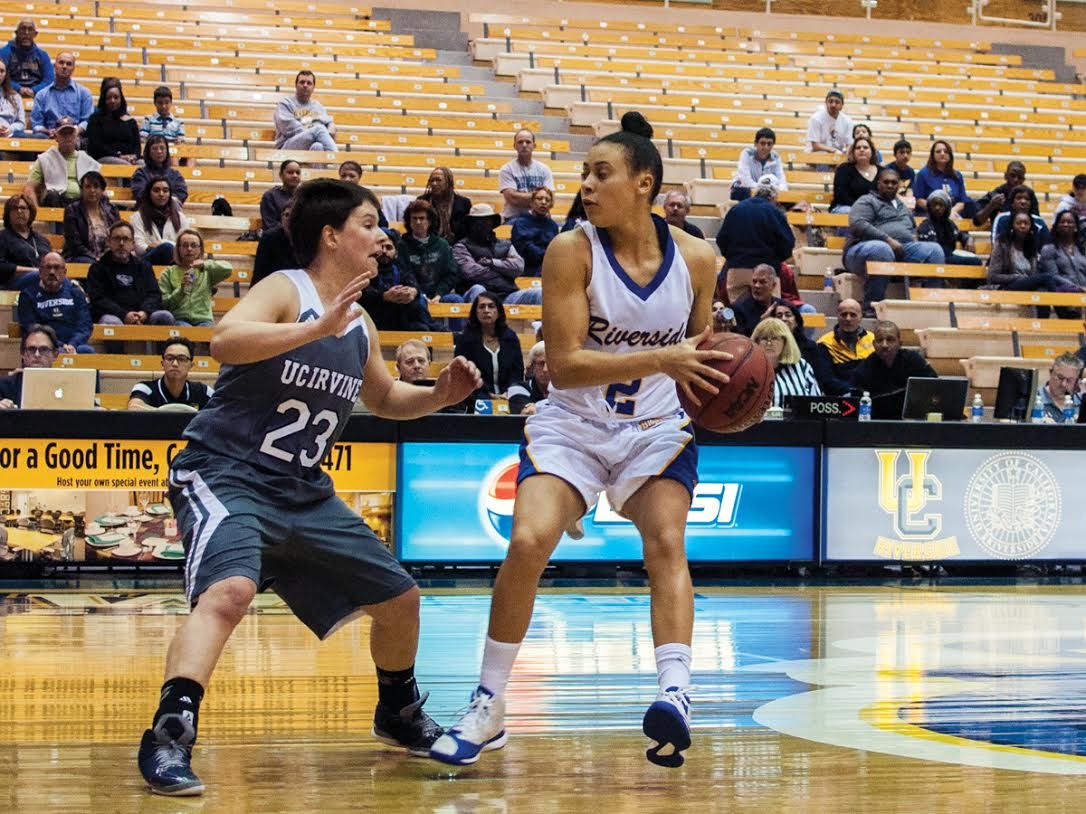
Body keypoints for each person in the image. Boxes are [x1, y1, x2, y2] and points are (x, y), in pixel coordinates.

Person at [136, 178, 482, 795]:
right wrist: (310, 329)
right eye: (371, 224)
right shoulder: (285, 288)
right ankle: (169, 734)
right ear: (332, 235)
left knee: (401, 599)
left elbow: (383, 398)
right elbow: (223, 341)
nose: (383, 237)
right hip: (225, 470)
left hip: (301, 489)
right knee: (230, 591)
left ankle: (397, 713)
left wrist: (438, 396)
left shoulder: (363, 324)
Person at [431, 111, 728, 770]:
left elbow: (699, 360)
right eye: (585, 174)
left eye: (602, 173)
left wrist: (732, 393)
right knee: (529, 539)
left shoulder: (700, 259)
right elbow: (562, 364)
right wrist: (666, 359)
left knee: (667, 541)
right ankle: (489, 702)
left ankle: (675, 694)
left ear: (643, 184)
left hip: (653, 428)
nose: (587, 186)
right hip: (573, 424)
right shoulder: (573, 249)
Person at [843, 168, 945, 316]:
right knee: (882, 249)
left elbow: (912, 229)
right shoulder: (867, 200)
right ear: (878, 184)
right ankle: (872, 306)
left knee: (934, 250)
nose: (890, 185)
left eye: (894, 183)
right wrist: (888, 240)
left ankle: (932, 305)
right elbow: (858, 224)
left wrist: (913, 239)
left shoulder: (903, 206)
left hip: (901, 250)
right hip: (860, 251)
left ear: (898, 186)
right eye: (886, 182)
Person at [715, 174, 795, 303]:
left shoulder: (737, 209)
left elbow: (722, 239)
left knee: (738, 315)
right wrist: (774, 261)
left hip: (738, 269)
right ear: (774, 195)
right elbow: (787, 243)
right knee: (767, 314)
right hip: (766, 271)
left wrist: (734, 258)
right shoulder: (775, 213)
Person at [86, 221, 175, 326]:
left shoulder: (144, 266)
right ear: (109, 242)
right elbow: (98, 299)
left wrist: (144, 312)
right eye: (117, 238)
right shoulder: (97, 268)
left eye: (126, 239)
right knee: (110, 321)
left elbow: (154, 295)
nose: (121, 243)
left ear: (133, 244)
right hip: (114, 315)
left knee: (164, 316)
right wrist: (124, 314)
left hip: (142, 314)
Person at [451, 291, 524, 403]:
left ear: (498, 311)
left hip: (509, 393)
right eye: (481, 307)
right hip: (476, 393)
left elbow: (517, 372)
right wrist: (489, 394)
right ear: (475, 312)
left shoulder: (511, 338)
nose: (486, 310)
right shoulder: (465, 339)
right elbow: (464, 374)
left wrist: (509, 392)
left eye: (491, 306)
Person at [358, 230, 437, 331]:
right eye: (380, 247)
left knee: (419, 306)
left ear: (396, 252)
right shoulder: (365, 270)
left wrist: (412, 291)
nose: (384, 251)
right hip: (374, 319)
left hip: (401, 319)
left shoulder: (401, 269)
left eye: (388, 247)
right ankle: (435, 327)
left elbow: (412, 284)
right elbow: (363, 296)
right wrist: (384, 297)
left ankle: (433, 328)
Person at [16, 252, 92, 353]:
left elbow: (84, 325)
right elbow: (30, 328)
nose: (52, 272)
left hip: (74, 346)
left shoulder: (75, 292)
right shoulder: (28, 295)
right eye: (48, 267)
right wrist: (60, 345)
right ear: (40, 271)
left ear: (64, 272)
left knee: (87, 351)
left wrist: (72, 344)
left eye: (57, 267)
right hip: (43, 347)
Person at [453, 204, 528, 302]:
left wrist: (492, 263)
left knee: (537, 293)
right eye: (477, 221)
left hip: (507, 294)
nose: (482, 224)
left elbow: (519, 267)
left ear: (492, 222)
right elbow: (471, 272)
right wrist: (504, 272)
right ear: (470, 224)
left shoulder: (505, 244)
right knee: (478, 289)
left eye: (486, 220)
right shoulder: (461, 246)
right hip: (479, 294)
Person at [159, 229, 233, 327]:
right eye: (185, 245)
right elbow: (164, 303)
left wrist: (205, 265)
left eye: (194, 245)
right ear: (178, 249)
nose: (189, 249)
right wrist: (181, 290)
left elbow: (228, 269)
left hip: (204, 319)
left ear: (200, 249)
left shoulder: (207, 270)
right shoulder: (168, 272)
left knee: (208, 330)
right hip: (180, 318)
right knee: (183, 328)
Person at [399, 199, 464, 304]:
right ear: (409, 221)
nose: (418, 222)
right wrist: (420, 295)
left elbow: (451, 274)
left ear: (429, 221)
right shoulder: (401, 245)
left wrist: (439, 294)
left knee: (456, 300)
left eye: (422, 218)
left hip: (439, 295)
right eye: (414, 218)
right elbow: (404, 274)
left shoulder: (442, 245)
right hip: (413, 296)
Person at [849, 320, 937, 397]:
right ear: (874, 344)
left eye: (890, 339)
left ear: (900, 343)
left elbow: (934, 384)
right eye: (879, 340)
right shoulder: (863, 369)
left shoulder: (913, 360)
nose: (884, 345)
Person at [23, 120, 99, 207]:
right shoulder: (45, 159)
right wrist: (37, 213)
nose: (67, 137)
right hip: (56, 200)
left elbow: (99, 187)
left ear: (77, 137)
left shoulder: (87, 160)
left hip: (81, 202)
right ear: (56, 137)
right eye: (63, 134)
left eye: (70, 133)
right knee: (52, 195)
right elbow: (29, 188)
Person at [751, 318, 821, 407]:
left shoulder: (802, 366)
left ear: (785, 342)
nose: (769, 343)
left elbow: (815, 404)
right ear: (757, 342)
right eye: (764, 338)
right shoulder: (747, 368)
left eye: (775, 338)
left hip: (796, 421)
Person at [127, 338, 211, 411]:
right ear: (162, 364)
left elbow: (220, 411)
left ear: (191, 366)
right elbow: (134, 407)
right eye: (169, 358)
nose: (175, 364)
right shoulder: (145, 388)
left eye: (181, 359)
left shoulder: (203, 391)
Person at [815, 298, 874, 395]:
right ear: (837, 316)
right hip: (840, 398)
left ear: (861, 317)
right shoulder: (824, 343)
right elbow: (826, 380)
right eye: (844, 314)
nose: (848, 319)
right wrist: (854, 392)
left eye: (853, 315)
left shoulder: (873, 340)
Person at [29, 51, 92, 137]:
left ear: (73, 69)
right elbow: (36, 124)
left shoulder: (84, 93)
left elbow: (87, 121)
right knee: (37, 137)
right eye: (61, 63)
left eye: (69, 64)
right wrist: (48, 131)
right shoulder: (42, 95)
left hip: (75, 137)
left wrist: (76, 130)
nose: (64, 66)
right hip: (50, 137)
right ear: (54, 66)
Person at [61, 170, 118, 263]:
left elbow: (117, 234)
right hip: (80, 256)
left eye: (96, 186)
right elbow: (75, 244)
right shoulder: (72, 210)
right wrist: (96, 259)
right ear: (82, 190)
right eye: (88, 187)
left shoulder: (112, 209)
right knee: (93, 264)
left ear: (102, 189)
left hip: (108, 256)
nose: (92, 190)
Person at [498, 129, 554, 221]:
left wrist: (524, 197)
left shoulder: (544, 169)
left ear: (534, 145)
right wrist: (539, 197)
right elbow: (512, 199)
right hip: (514, 218)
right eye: (520, 142)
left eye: (528, 142)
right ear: (515, 146)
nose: (524, 145)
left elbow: (551, 199)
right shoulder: (507, 169)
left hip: (540, 218)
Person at [274, 70, 336, 152]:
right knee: (319, 129)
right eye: (302, 82)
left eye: (309, 83)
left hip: (310, 142)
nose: (305, 85)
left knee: (318, 147)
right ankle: (337, 159)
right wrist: (314, 132)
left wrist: (331, 124)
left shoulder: (318, 106)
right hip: (287, 147)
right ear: (296, 85)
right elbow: (289, 129)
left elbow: (330, 125)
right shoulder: (286, 103)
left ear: (313, 87)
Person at [133, 179, 192, 265]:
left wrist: (161, 243)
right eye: (156, 190)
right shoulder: (138, 217)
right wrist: (162, 248)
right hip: (147, 262)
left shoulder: (180, 217)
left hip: (175, 260)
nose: (161, 194)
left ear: (170, 194)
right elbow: (139, 248)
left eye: (165, 191)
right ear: (149, 193)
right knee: (166, 248)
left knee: (167, 248)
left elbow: (186, 245)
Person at [0, 324, 59, 409]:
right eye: (31, 349)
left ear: (55, 354)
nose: (37, 355)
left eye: (44, 349)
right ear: (22, 353)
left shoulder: (69, 385)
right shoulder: (4, 386)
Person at [986, 211, 1048, 292]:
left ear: (1030, 227)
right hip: (1006, 287)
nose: (1022, 226)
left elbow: (1033, 274)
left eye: (1026, 223)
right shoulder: (1002, 244)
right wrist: (1017, 277)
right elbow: (992, 276)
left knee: (1042, 289)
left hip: (1028, 287)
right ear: (1012, 225)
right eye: (1019, 223)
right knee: (1047, 278)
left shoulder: (1032, 245)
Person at [85, 77, 140, 165]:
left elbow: (137, 147)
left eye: (116, 97)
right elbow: (95, 147)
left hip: (128, 158)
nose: (112, 101)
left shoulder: (131, 121)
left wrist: (134, 156)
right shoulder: (95, 119)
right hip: (104, 158)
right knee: (125, 165)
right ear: (104, 99)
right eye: (109, 98)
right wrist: (119, 155)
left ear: (121, 99)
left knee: (144, 165)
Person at [917, 190, 980, 266]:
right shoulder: (925, 225)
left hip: (949, 257)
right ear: (929, 207)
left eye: (941, 205)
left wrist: (969, 239)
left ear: (946, 207)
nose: (937, 208)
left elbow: (961, 235)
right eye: (934, 204)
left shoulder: (949, 224)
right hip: (934, 260)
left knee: (976, 262)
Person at [0, 193, 49, 288]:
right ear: (8, 214)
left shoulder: (42, 240)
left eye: (23, 208)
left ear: (30, 212)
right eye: (14, 208)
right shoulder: (2, 237)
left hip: (43, 279)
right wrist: (33, 270)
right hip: (12, 282)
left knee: (72, 284)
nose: (19, 211)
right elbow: (2, 266)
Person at [912, 140, 971, 217]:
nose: (942, 153)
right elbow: (919, 200)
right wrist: (937, 209)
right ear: (933, 155)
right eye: (938, 151)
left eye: (946, 151)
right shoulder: (923, 174)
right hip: (930, 213)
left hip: (952, 214)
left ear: (950, 155)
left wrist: (952, 211)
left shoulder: (957, 175)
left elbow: (961, 202)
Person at [511, 187, 559, 276]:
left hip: (547, 267)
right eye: (539, 198)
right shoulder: (520, 223)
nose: (543, 202)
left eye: (547, 200)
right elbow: (524, 248)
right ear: (532, 202)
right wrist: (546, 255)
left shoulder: (553, 225)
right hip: (526, 266)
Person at [971, 161, 1035, 228]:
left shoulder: (1029, 196)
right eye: (1012, 175)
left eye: (1020, 177)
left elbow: (1036, 221)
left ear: (1023, 180)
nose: (1016, 180)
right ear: (1006, 176)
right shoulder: (995, 195)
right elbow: (977, 221)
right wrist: (991, 206)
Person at [417, 166, 472, 243]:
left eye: (438, 180)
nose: (434, 183)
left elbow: (467, 232)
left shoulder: (463, 203)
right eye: (432, 180)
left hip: (456, 246)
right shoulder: (422, 201)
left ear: (448, 182)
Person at [0, 19, 52, 98]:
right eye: (23, 29)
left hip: (37, 96)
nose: (26, 33)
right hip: (9, 94)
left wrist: (34, 90)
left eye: (30, 29)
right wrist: (18, 88)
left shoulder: (43, 55)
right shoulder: (4, 52)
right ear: (16, 32)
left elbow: (49, 80)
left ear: (35, 34)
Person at [732, 127, 787, 201]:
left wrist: (776, 191)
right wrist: (764, 190)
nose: (766, 147)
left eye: (769, 144)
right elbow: (745, 180)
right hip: (744, 192)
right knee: (743, 191)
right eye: (762, 143)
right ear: (755, 143)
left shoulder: (776, 157)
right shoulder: (746, 154)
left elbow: (782, 182)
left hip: (765, 193)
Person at [1039, 211, 1086, 297]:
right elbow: (1053, 276)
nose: (1065, 224)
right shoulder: (1049, 249)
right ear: (1057, 227)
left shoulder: (1082, 249)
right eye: (1062, 222)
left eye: (1069, 222)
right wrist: (1078, 288)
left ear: (1076, 227)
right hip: (1065, 293)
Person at [131, 135, 188, 204]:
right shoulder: (141, 173)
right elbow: (139, 194)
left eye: (162, 148)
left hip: (170, 211)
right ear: (148, 152)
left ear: (167, 151)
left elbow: (181, 193)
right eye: (154, 148)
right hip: (146, 211)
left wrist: (165, 202)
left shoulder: (175, 174)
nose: (159, 151)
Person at [731, 263, 784, 336]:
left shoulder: (783, 306)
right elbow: (741, 343)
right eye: (754, 281)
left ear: (773, 285)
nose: (757, 286)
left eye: (762, 282)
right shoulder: (738, 309)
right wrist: (761, 325)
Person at [251, 203, 298, 286]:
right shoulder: (269, 238)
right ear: (281, 218)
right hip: (275, 285)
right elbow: (259, 273)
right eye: (286, 215)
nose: (289, 220)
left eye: (294, 216)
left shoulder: (309, 238)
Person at [830, 137, 878, 214]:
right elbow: (840, 195)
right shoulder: (844, 169)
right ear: (853, 152)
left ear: (872, 151)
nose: (862, 150)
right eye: (858, 148)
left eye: (865, 147)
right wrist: (862, 208)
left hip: (873, 210)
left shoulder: (882, 171)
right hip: (845, 207)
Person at [1036, 352, 1083, 423]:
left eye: (1069, 380)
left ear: (1076, 381)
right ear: (1050, 373)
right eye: (1060, 377)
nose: (1063, 384)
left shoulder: (1082, 402)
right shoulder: (1033, 399)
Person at [806, 89, 852, 155]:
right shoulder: (816, 118)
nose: (833, 105)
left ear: (842, 105)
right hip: (817, 155)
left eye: (837, 102)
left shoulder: (848, 121)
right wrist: (833, 150)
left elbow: (849, 144)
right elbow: (815, 145)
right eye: (830, 101)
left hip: (838, 155)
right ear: (826, 103)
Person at [260, 159, 301, 232]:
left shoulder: (304, 196)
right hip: (278, 239)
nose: (295, 175)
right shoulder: (270, 196)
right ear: (281, 175)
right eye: (290, 172)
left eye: (298, 173)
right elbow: (270, 224)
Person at [510, 340, 549, 415]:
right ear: (533, 366)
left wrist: (537, 408)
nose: (545, 369)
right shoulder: (518, 388)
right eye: (541, 363)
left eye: (550, 364)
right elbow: (527, 413)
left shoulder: (565, 390)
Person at [0, 61, 26, 137]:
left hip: (9, 134)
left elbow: (21, 123)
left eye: (2, 71)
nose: (0, 74)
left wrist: (10, 129)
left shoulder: (15, 97)